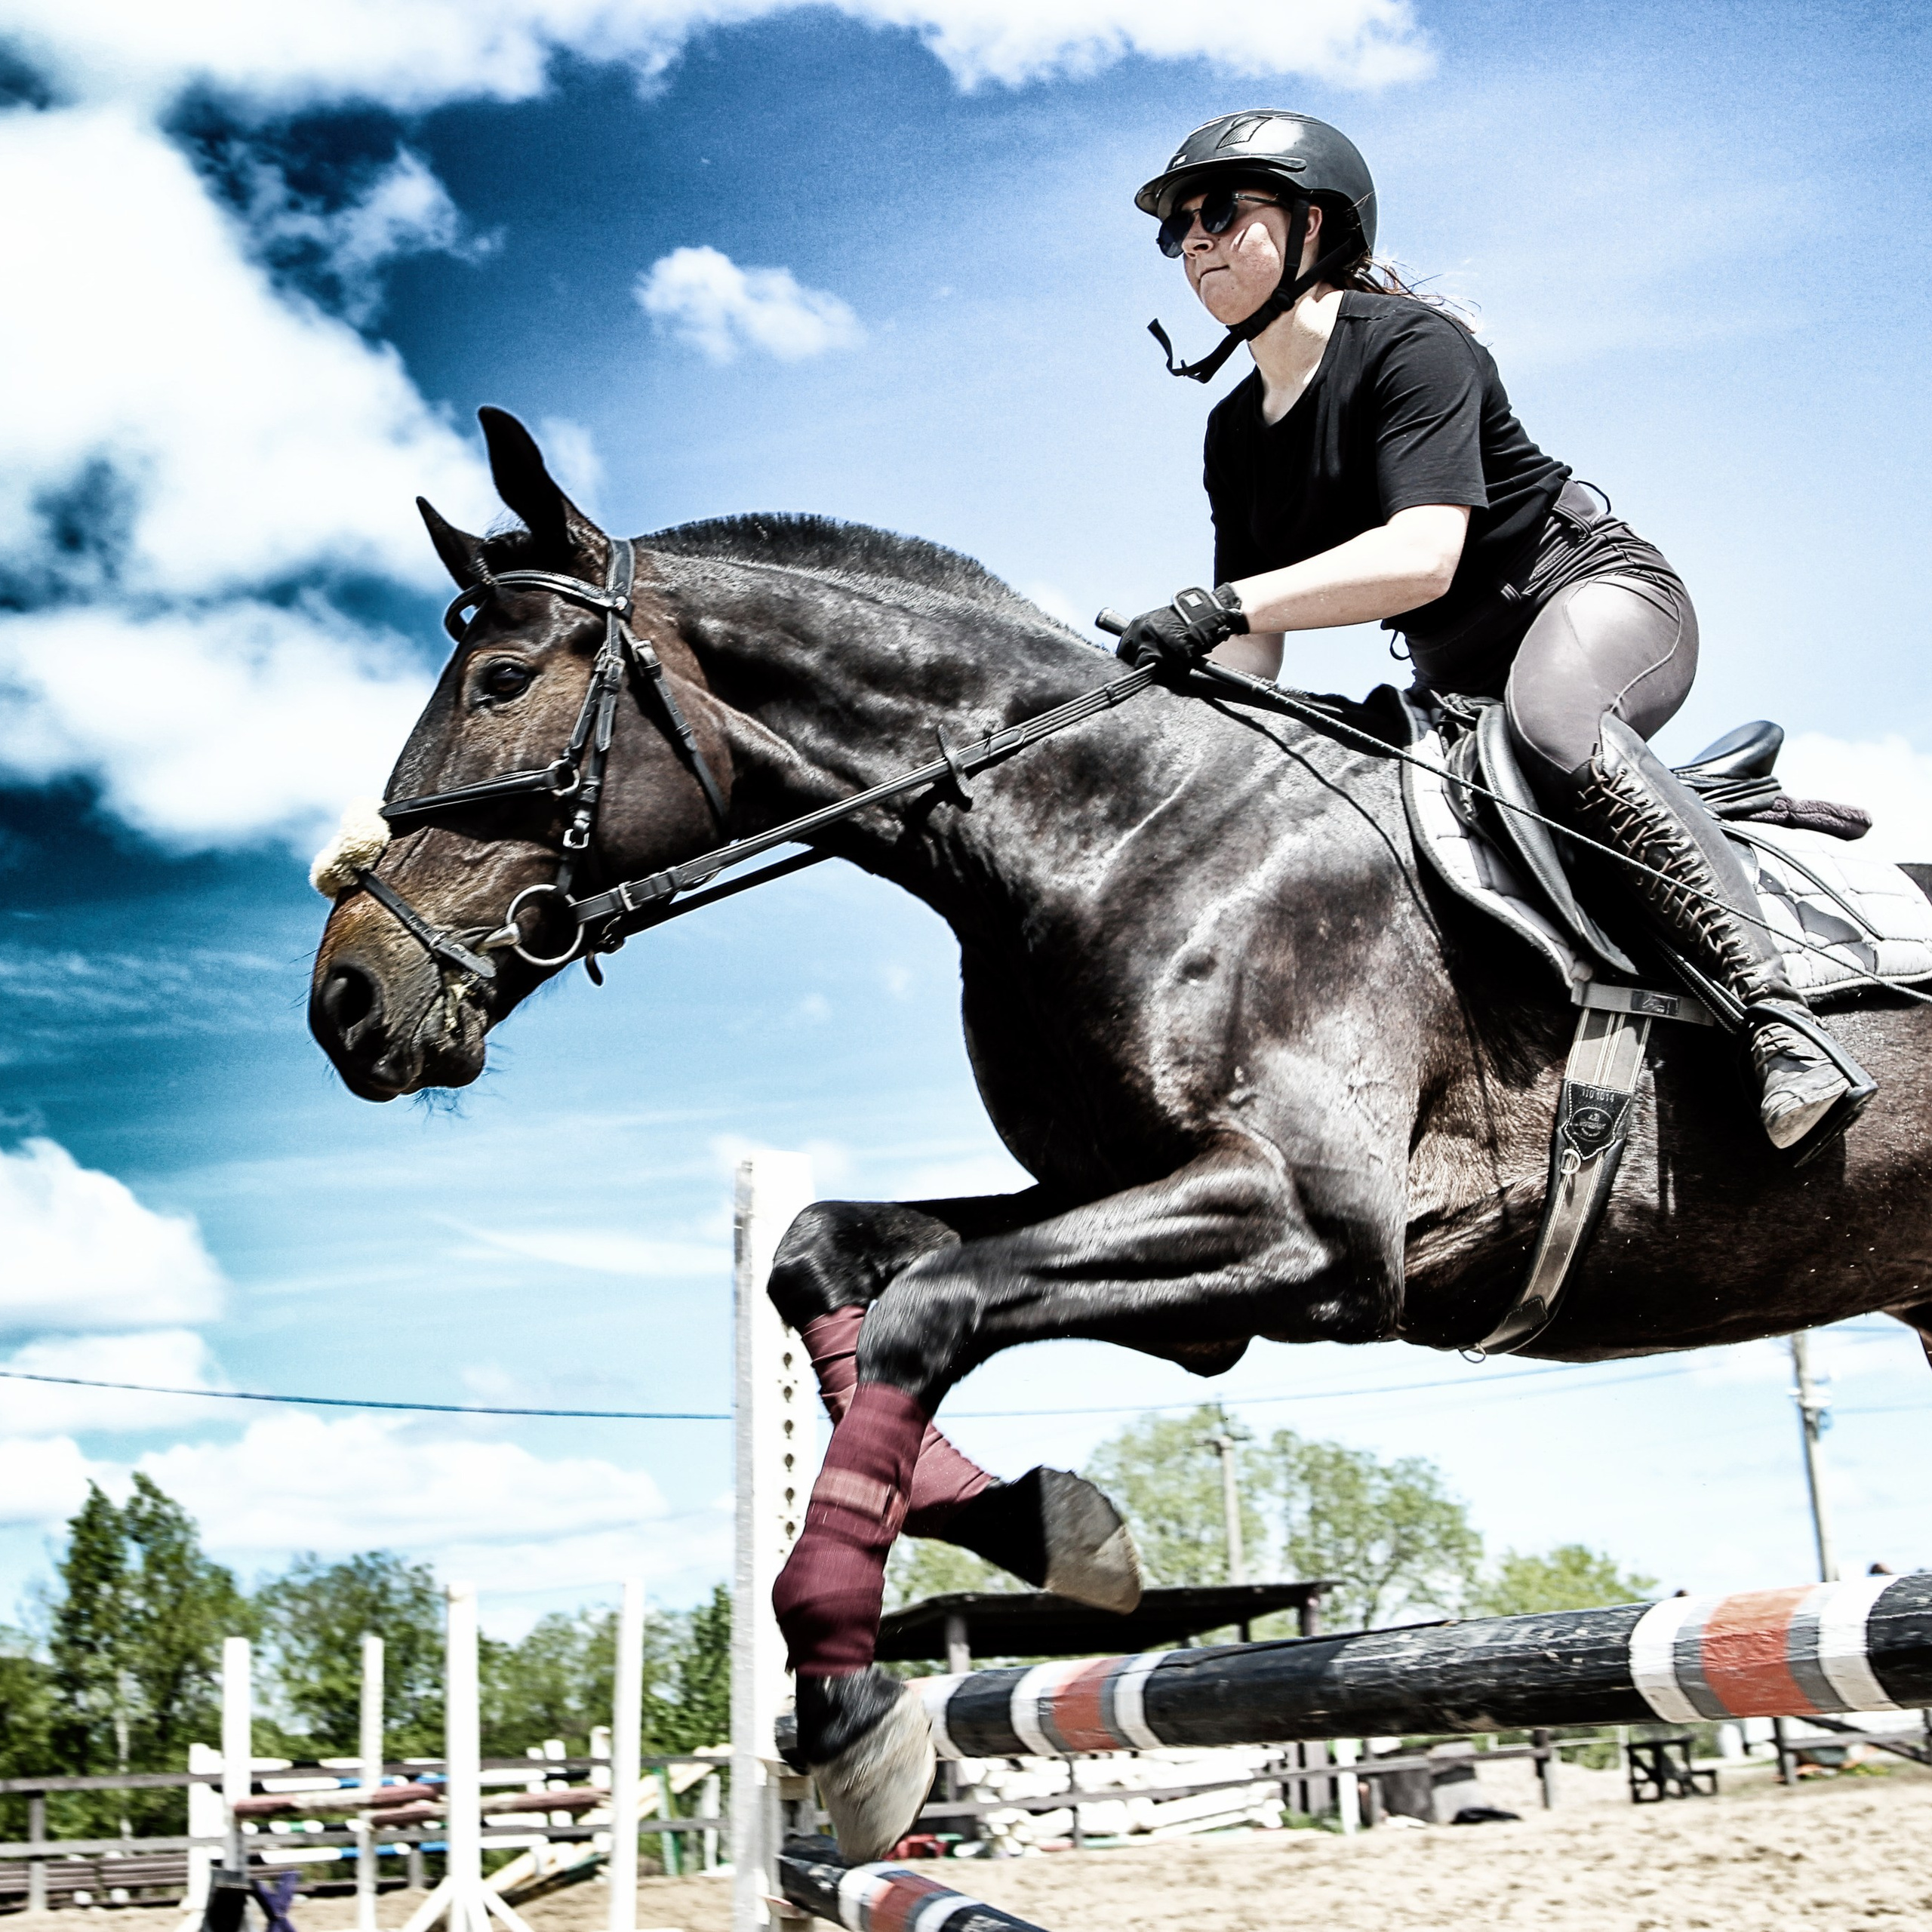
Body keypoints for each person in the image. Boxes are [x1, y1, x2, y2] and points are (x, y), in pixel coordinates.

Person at [1116, 109, 1860, 1157]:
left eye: (1222, 211)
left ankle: (1779, 1021)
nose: (1193, 240)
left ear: (1314, 224)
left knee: (1551, 725)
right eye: (1176, 228)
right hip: (1457, 683)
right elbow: (1254, 655)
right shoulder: (1233, 432)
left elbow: (1422, 556)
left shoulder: (1413, 347)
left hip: (1594, 596)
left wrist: (1224, 605)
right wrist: (1172, 700)